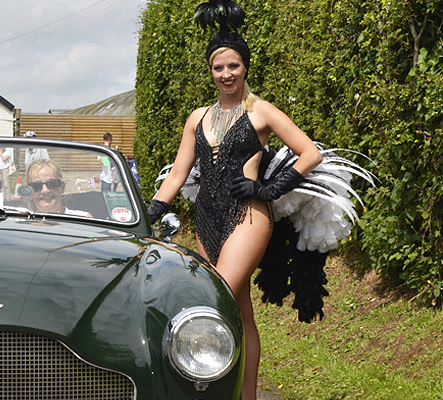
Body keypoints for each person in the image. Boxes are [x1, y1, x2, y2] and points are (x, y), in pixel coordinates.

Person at [147, 2, 322, 398]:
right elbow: (177, 174)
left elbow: (310, 153)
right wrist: (152, 211)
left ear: (245, 67)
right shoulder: (198, 117)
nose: (226, 75)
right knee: (239, 314)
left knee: (217, 298)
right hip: (206, 218)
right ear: (210, 71)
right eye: (218, 68)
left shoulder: (261, 111)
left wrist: (269, 190)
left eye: (233, 66)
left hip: (249, 215)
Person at [25, 159, 92, 217]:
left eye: (52, 184)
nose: (45, 190)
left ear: (62, 188)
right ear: (29, 192)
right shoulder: (21, 225)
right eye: (36, 186)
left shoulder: (84, 220)